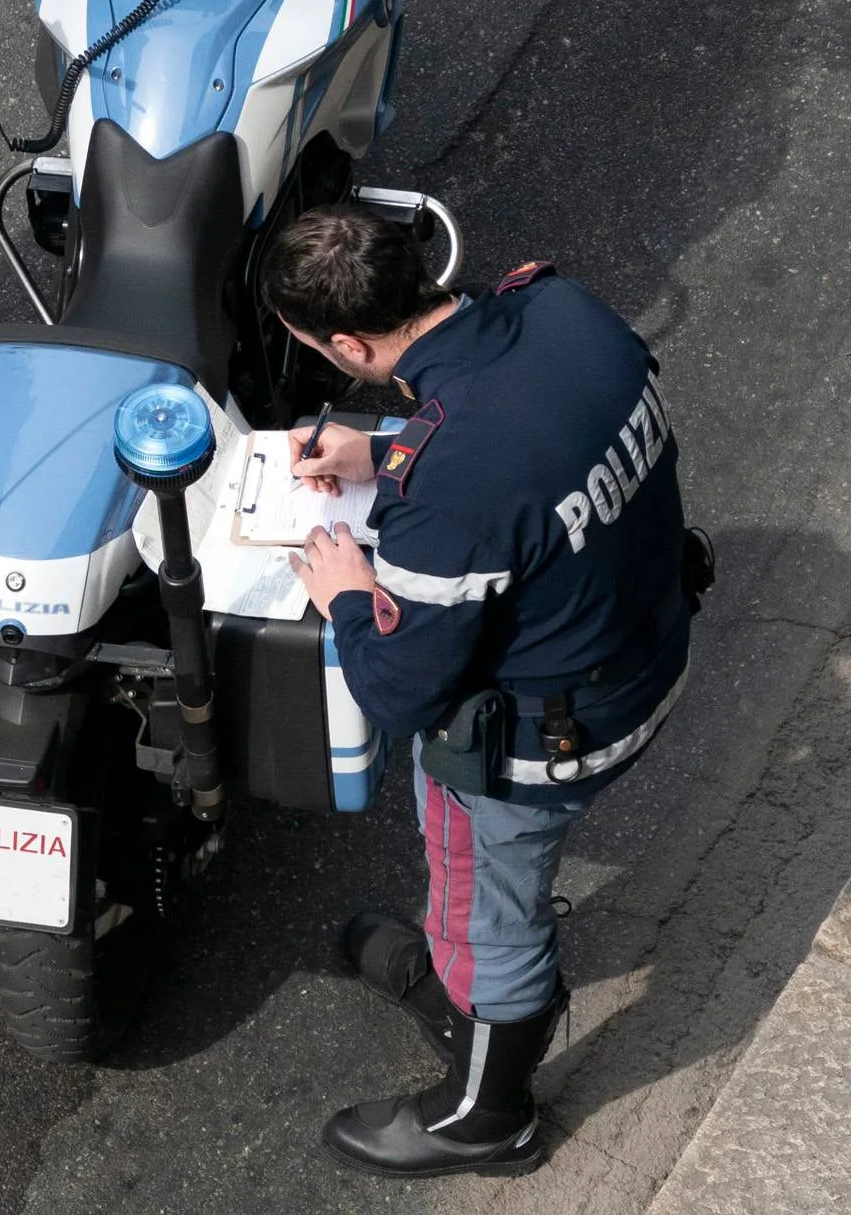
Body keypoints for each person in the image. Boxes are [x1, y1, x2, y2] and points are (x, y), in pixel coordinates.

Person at [266, 205, 702, 1179]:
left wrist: (346, 597)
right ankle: (466, 985)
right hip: (646, 645)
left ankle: (485, 1111)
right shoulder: (562, 310)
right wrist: (380, 453)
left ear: (345, 343)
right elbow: (530, 459)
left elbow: (401, 692)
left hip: (546, 740)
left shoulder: (452, 481)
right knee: (483, 904)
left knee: (488, 912)